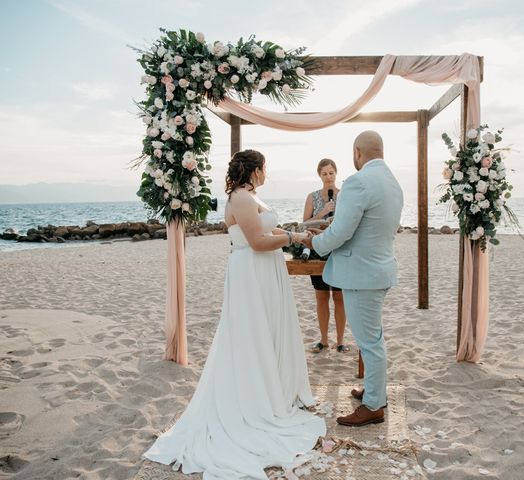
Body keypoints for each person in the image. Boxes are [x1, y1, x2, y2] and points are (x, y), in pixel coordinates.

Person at [144, 149, 326, 478]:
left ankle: (275, 392)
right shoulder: (240, 198)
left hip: (264, 271)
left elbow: (264, 234)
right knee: (251, 335)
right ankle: (255, 401)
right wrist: (292, 237)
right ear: (254, 170)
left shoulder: (251, 197)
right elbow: (257, 241)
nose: (266, 173)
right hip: (251, 272)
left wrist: (293, 235)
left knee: (266, 332)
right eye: (264, 168)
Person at [302, 131, 403, 427]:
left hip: (362, 275)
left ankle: (373, 406)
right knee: (374, 338)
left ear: (357, 152)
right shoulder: (392, 182)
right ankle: (374, 392)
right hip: (379, 269)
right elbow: (367, 227)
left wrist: (315, 242)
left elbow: (342, 232)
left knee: (370, 342)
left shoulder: (359, 181)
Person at [303, 158, 349, 354]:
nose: (328, 177)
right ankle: (323, 340)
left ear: (336, 174)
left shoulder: (346, 195)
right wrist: (323, 212)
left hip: (339, 250)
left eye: (331, 173)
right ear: (319, 176)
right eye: (324, 173)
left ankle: (340, 341)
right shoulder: (312, 197)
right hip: (318, 250)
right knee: (321, 297)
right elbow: (304, 224)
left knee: (339, 297)